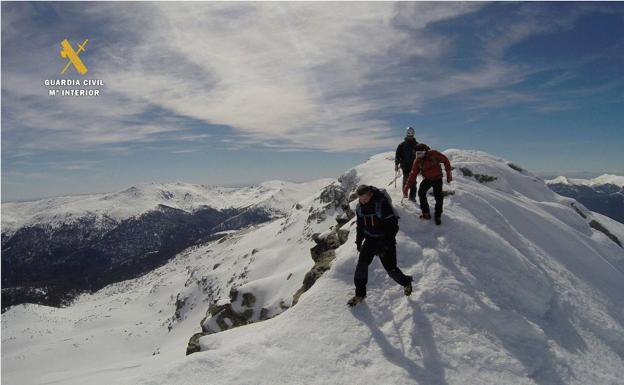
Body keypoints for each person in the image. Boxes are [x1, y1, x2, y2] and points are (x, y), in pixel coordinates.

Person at [348, 184, 413, 307]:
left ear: (370, 194)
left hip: (385, 240)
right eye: (361, 199)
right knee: (361, 266)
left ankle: (406, 282)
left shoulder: (381, 205)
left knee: (391, 269)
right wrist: (358, 241)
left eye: (365, 198)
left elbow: (393, 227)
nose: (363, 201)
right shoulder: (359, 208)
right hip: (370, 240)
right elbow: (360, 226)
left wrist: (385, 245)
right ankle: (360, 294)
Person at [403, 144, 452, 226]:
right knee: (421, 193)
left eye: (421, 153)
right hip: (428, 179)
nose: (419, 156)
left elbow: (445, 160)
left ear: (425, 151)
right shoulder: (417, 161)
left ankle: (438, 215)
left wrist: (448, 174)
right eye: (417, 154)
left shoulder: (433, 154)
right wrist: (406, 187)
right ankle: (426, 213)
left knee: (438, 196)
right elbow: (412, 175)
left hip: (437, 178)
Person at [395, 127, 419, 201]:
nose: (410, 136)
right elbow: (398, 155)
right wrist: (396, 164)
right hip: (405, 166)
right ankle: (405, 194)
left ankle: (412, 197)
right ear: (406, 134)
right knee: (406, 180)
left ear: (413, 135)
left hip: (415, 166)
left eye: (411, 135)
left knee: (413, 181)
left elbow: (421, 155)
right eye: (409, 135)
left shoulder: (417, 145)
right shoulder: (402, 145)